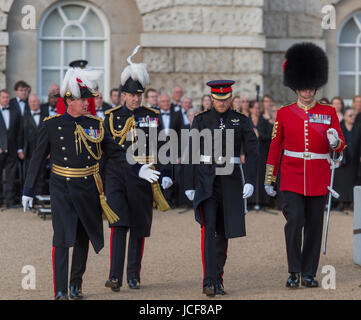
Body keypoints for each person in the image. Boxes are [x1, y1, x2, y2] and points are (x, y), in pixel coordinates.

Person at [21, 67, 160, 300]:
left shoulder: (95, 124)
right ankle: (60, 290)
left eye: (88, 99)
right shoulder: (52, 125)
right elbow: (36, 158)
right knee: (63, 238)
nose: (87, 103)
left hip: (88, 187)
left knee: (83, 237)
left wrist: (139, 168)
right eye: (82, 99)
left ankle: (76, 285)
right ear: (69, 100)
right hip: (62, 187)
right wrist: (28, 190)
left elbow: (115, 152)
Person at [265, 42, 346, 289]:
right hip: (291, 174)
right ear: (296, 85)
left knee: (313, 225)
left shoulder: (328, 112)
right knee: (295, 221)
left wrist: (336, 142)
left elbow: (340, 143)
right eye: (303, 86)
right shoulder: (285, 113)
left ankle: (309, 272)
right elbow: (276, 146)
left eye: (311, 86)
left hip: (317, 176)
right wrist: (270, 177)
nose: (307, 90)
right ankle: (293, 270)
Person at [103, 46, 172, 292]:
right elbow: (110, 150)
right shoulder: (110, 117)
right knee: (119, 225)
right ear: (123, 95)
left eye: (139, 95)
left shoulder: (152, 116)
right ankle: (115, 276)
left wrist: (165, 174)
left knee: (139, 228)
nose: (135, 99)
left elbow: (162, 146)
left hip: (144, 180)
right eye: (132, 95)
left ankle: (133, 275)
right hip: (117, 178)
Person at [184, 80, 258, 296]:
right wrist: (189, 184)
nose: (222, 103)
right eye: (218, 99)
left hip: (231, 181)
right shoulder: (201, 120)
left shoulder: (240, 121)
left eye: (225, 99)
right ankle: (208, 281)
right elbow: (191, 151)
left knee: (224, 232)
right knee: (208, 230)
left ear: (231, 98)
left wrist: (251, 180)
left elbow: (253, 152)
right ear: (211, 98)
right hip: (207, 181)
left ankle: (218, 278)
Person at [0, 89, 24, 208]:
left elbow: (19, 132)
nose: (6, 99)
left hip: (13, 149)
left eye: (7, 97)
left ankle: (9, 202)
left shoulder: (15, 111)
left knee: (11, 176)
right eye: (3, 97)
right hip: (0, 149)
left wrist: (20, 149)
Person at [334, 108, 361, 210]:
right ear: (344, 117)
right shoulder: (339, 128)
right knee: (341, 180)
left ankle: (352, 202)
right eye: (350, 115)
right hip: (343, 159)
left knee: (353, 180)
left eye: (354, 115)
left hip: (355, 159)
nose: (353, 117)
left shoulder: (358, 127)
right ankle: (340, 202)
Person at [23, 94, 49, 195]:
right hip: (29, 151)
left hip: (43, 151)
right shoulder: (24, 116)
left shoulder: (46, 116)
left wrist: (49, 151)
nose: (33, 104)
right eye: (31, 102)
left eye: (35, 101)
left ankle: (40, 198)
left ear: (39, 102)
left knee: (41, 175)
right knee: (29, 175)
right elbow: (20, 134)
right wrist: (20, 150)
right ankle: (30, 198)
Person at [248, 100, 271, 209]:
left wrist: (259, 135)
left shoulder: (264, 121)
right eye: (255, 108)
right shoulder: (246, 121)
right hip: (250, 153)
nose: (257, 110)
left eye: (258, 108)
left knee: (261, 176)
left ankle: (261, 201)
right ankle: (250, 201)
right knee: (251, 174)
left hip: (262, 152)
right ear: (250, 109)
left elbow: (269, 137)